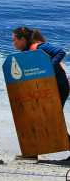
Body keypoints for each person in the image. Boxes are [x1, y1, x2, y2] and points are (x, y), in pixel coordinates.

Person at [12, 26, 70, 159]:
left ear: (22, 39)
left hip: (59, 87)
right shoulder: (26, 51)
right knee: (35, 118)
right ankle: (32, 152)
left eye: (14, 40)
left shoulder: (39, 47)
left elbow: (60, 52)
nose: (13, 43)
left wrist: (47, 68)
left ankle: (32, 152)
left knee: (51, 120)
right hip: (45, 89)